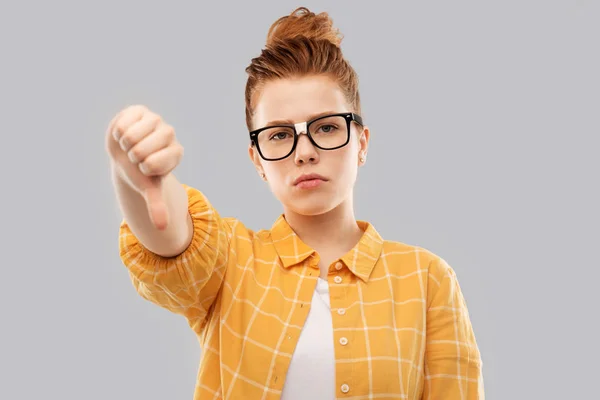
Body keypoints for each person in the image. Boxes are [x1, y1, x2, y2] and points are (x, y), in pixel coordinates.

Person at [105, 7, 484, 400]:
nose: (304, 152)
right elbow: (169, 234)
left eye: (326, 127)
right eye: (279, 135)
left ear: (362, 142)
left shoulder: (426, 280)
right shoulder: (231, 260)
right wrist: (131, 170)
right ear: (257, 160)